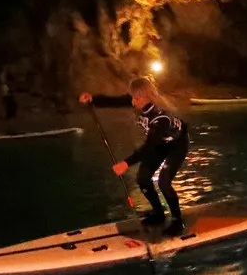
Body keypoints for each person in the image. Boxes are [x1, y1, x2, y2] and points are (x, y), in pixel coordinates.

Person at [80, 78, 190, 236]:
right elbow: (116, 101)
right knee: (143, 179)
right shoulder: (137, 102)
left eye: (137, 98)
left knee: (164, 182)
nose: (133, 101)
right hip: (159, 143)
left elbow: (148, 147)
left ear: (147, 97)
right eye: (132, 97)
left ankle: (177, 221)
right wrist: (93, 99)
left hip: (176, 145)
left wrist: (126, 163)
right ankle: (159, 214)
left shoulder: (161, 118)